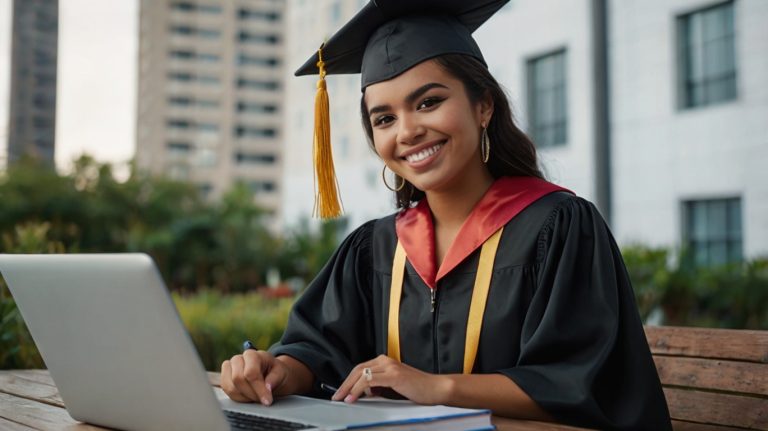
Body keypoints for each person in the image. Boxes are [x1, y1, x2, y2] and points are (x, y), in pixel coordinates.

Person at [221, 1, 672, 429]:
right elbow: (320, 351)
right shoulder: (374, 249)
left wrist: (437, 388)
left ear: (484, 106)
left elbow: (580, 381)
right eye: (384, 119)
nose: (408, 131)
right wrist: (275, 370)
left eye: (428, 102)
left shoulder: (559, 228)